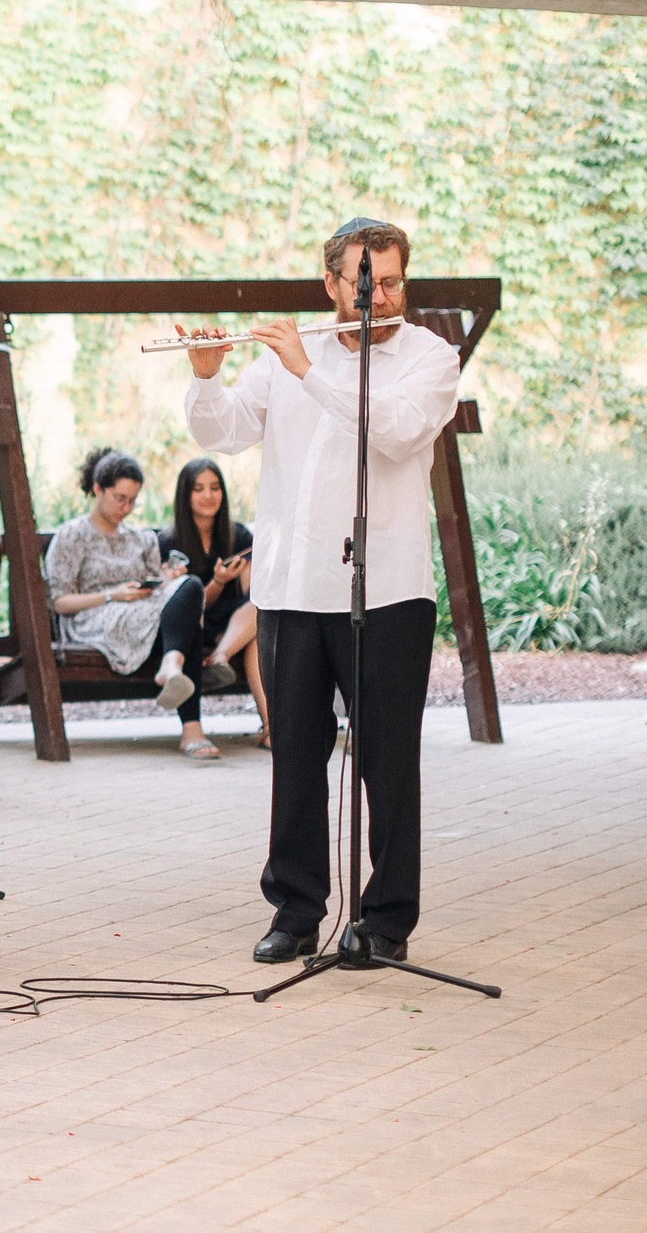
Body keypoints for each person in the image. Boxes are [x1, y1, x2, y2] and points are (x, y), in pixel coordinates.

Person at [179, 217, 462, 966]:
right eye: (366, 282)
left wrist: (310, 371)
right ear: (331, 283)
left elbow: (398, 432)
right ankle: (297, 910)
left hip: (390, 590)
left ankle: (388, 919)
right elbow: (226, 432)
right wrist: (206, 374)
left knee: (388, 762)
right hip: (293, 585)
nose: (380, 296)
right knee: (297, 757)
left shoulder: (429, 356)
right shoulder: (284, 358)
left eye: (394, 281)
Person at [40, 448, 221, 759]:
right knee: (184, 617)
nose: (126, 507)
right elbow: (60, 602)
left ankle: (171, 666)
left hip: (141, 613)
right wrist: (113, 594)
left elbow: (155, 591)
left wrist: (167, 582)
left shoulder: (141, 538)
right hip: (93, 618)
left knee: (189, 586)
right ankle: (192, 729)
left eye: (132, 500)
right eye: (119, 498)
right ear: (98, 489)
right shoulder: (72, 535)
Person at [157, 457, 270, 753]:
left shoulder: (238, 534)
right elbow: (188, 606)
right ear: (186, 495)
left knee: (260, 611)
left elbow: (251, 598)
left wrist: (244, 574)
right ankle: (268, 726)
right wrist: (218, 582)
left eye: (215, 487)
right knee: (246, 633)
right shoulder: (171, 540)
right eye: (199, 489)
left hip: (232, 628)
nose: (208, 496)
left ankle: (221, 660)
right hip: (192, 627)